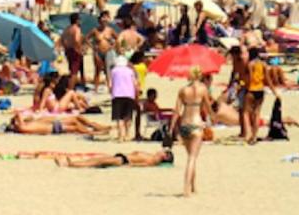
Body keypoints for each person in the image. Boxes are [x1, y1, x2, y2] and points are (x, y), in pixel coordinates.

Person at [172, 66, 214, 198]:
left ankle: (193, 186)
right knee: (192, 158)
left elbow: (176, 111)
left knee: (190, 156)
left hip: (185, 124)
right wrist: (213, 118)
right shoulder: (203, 89)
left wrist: (171, 128)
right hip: (196, 124)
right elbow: (207, 107)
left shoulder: (183, 90)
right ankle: (186, 189)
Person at [243, 47, 280, 145]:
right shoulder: (263, 64)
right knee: (257, 113)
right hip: (260, 90)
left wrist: (242, 85)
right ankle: (254, 136)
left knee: (246, 112)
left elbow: (250, 78)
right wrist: (274, 92)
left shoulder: (250, 64)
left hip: (251, 89)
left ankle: (248, 134)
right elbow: (268, 80)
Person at [109, 55, 139, 142]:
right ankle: (127, 134)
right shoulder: (130, 71)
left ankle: (120, 135)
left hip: (117, 95)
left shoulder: (114, 71)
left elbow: (110, 84)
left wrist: (111, 92)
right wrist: (136, 94)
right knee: (128, 116)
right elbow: (135, 83)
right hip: (129, 95)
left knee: (119, 117)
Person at [85, 11, 116, 92]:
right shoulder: (95, 30)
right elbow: (86, 38)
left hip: (108, 52)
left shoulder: (110, 30)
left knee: (108, 71)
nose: (104, 20)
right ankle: (96, 88)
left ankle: (110, 88)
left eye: (106, 18)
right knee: (97, 70)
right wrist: (92, 47)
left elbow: (117, 39)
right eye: (103, 18)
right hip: (98, 52)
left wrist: (112, 46)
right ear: (99, 20)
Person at [9, 113, 110, 136]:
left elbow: (22, 116)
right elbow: (18, 114)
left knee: (76, 120)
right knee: (75, 126)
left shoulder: (25, 125)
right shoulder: (22, 127)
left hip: (54, 125)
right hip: (54, 127)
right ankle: (93, 132)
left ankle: (95, 128)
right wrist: (15, 120)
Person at [55, 149, 173, 168]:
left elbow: (143, 165)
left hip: (123, 160)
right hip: (122, 156)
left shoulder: (154, 161)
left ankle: (69, 165)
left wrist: (131, 166)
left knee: (96, 162)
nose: (161, 150)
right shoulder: (152, 156)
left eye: (163, 151)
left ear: (165, 156)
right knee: (96, 159)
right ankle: (72, 163)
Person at [60, 13, 84, 87]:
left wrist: (66, 47)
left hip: (68, 50)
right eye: (79, 19)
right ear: (77, 20)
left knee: (72, 70)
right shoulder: (76, 28)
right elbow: (76, 40)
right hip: (75, 50)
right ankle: (70, 89)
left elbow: (62, 40)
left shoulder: (67, 29)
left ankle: (73, 86)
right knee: (74, 72)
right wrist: (79, 49)